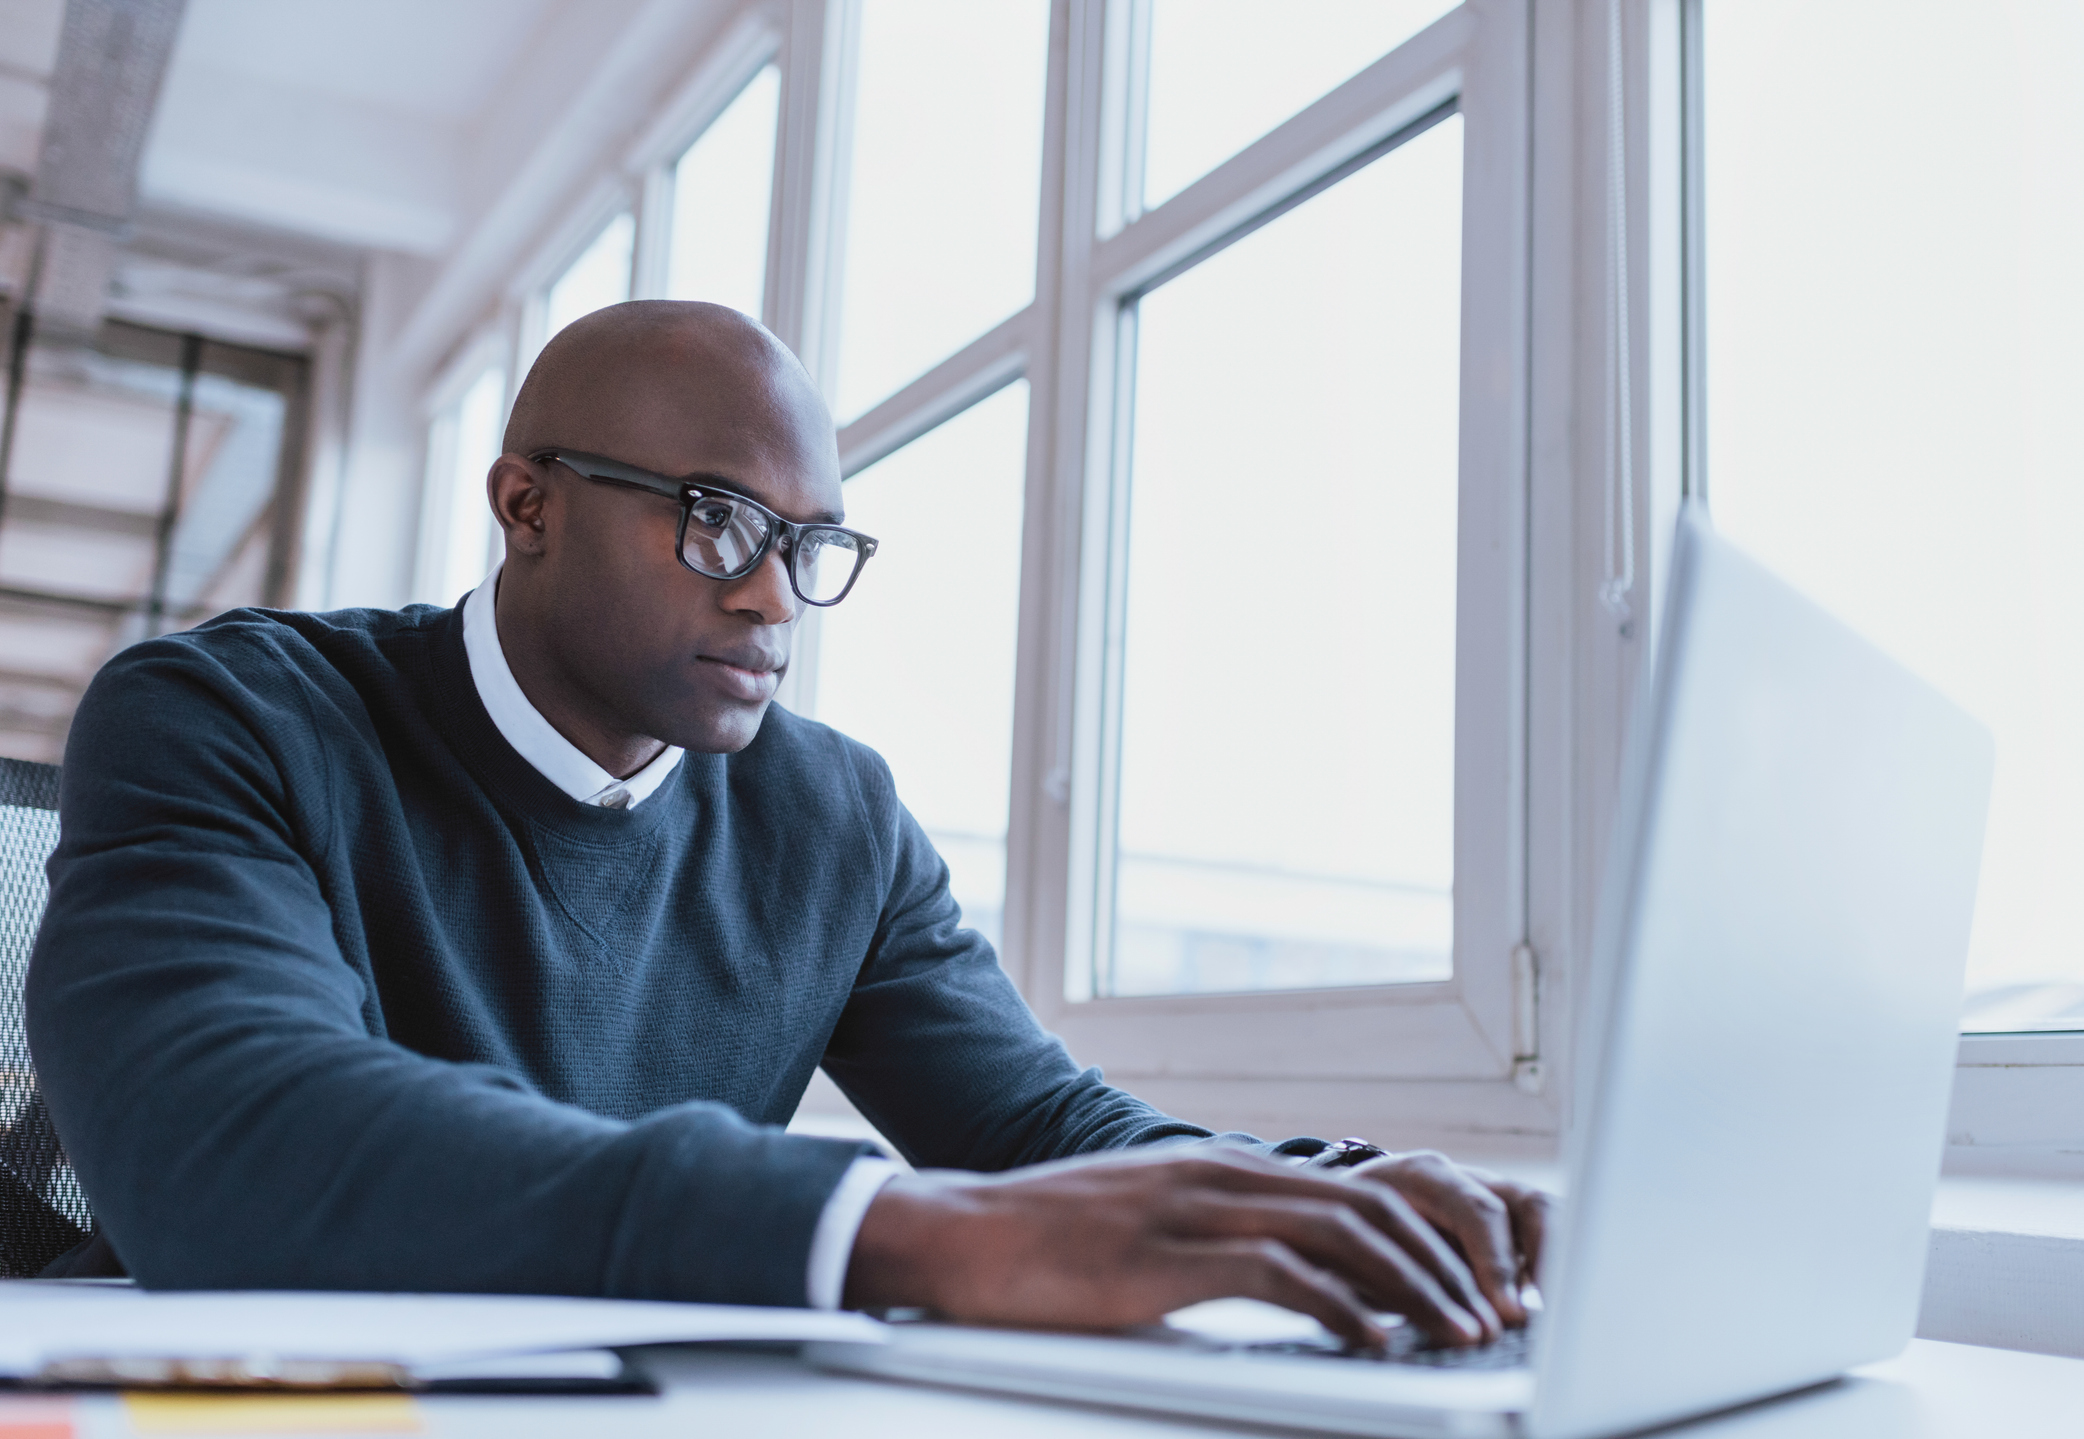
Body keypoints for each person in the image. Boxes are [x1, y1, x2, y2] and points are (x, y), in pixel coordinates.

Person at [29, 301, 1547, 1353]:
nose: (769, 593)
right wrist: (897, 1232)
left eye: (810, 545)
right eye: (716, 518)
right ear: (525, 504)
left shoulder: (836, 816)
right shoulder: (231, 714)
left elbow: (1035, 1135)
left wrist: (1333, 1194)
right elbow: (228, 1140)